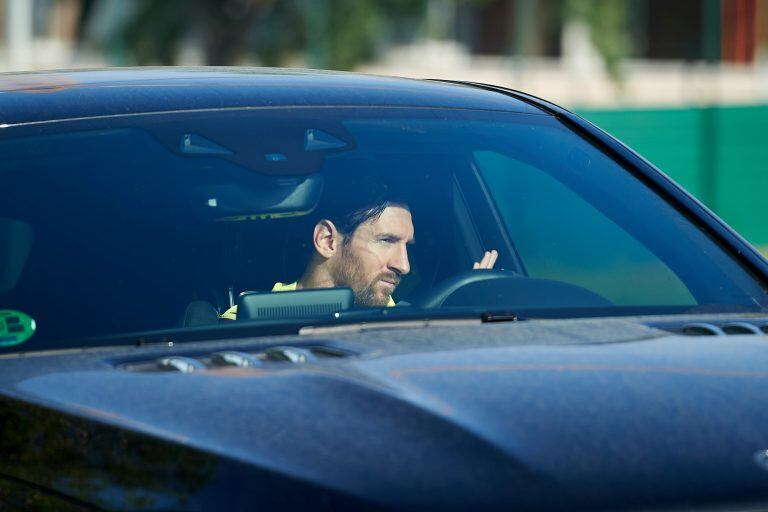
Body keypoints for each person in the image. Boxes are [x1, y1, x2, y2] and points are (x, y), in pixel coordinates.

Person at [220, 169, 497, 320]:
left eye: (407, 245)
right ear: (327, 240)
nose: (404, 265)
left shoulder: (414, 322)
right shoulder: (242, 324)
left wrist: (469, 305)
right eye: (386, 240)